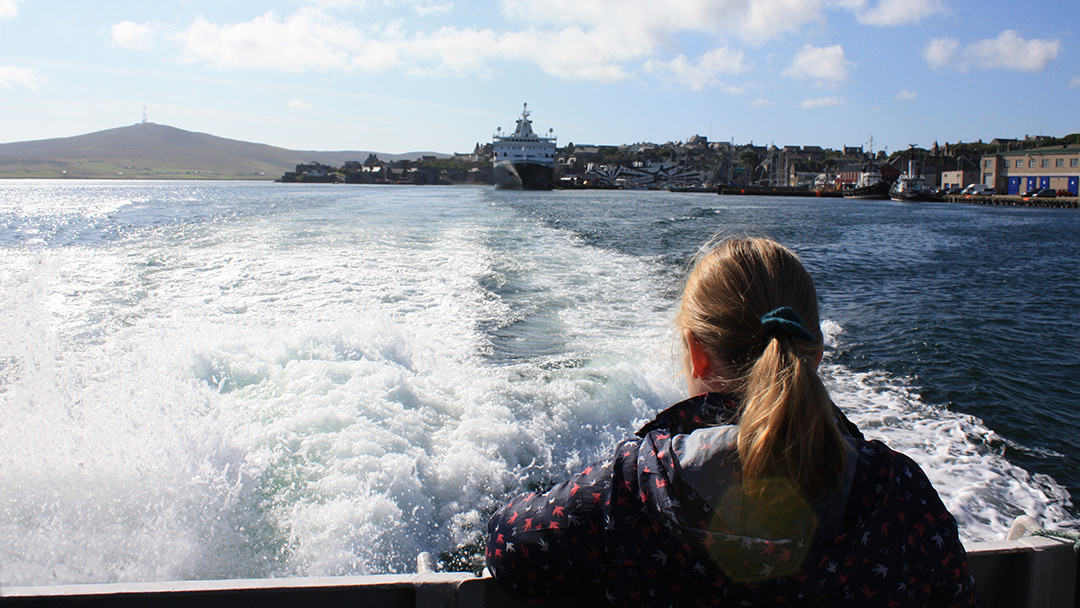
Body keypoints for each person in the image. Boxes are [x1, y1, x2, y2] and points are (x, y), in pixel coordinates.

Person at [486, 236, 978, 607]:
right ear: (817, 354)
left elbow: (508, 546)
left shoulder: (636, 485)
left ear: (698, 355)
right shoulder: (900, 492)